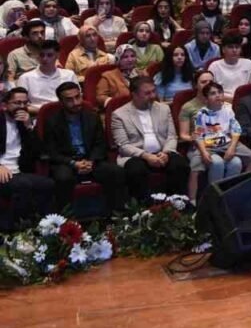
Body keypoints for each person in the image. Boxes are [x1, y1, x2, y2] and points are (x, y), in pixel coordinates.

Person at [43, 82, 127, 214]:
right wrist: (73, 163)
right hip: (67, 162)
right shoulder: (52, 121)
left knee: (115, 172)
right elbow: (52, 152)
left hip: (90, 159)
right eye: (69, 100)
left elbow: (100, 144)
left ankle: (117, 216)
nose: (76, 102)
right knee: (63, 178)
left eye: (78, 97)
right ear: (61, 102)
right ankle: (67, 219)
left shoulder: (92, 117)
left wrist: (91, 161)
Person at [110, 77, 189, 202]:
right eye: (147, 93)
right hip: (137, 156)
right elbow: (123, 146)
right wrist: (146, 156)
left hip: (162, 152)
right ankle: (143, 208)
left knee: (180, 164)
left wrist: (166, 152)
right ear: (134, 94)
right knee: (136, 170)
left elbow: (171, 136)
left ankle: (177, 204)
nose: (153, 96)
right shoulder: (119, 115)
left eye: (153, 91)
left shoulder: (164, 109)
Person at [0, 87, 54, 227]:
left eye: (25, 103)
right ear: (5, 105)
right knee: (23, 185)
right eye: (17, 103)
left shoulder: (24, 123)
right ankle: (14, 229)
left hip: (19, 170)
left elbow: (39, 151)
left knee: (47, 184)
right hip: (3, 171)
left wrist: (29, 127)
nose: (22, 107)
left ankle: (45, 227)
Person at [190, 81, 251, 186]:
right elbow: (198, 136)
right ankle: (206, 193)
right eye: (213, 93)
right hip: (208, 145)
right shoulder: (201, 114)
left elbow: (236, 130)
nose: (217, 95)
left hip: (226, 143)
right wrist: (204, 152)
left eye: (220, 92)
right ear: (206, 99)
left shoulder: (228, 109)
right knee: (196, 165)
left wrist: (232, 148)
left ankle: (244, 187)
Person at [17, 40, 77, 111]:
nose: (45, 59)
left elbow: (77, 99)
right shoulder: (25, 78)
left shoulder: (69, 75)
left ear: (57, 55)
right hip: (37, 114)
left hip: (65, 112)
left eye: (49, 55)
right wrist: (45, 112)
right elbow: (21, 105)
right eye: (41, 55)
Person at [95, 44, 140, 108]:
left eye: (132, 56)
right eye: (125, 57)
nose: (130, 60)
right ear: (118, 59)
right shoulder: (108, 76)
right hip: (119, 109)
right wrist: (115, 103)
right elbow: (100, 96)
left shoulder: (141, 73)